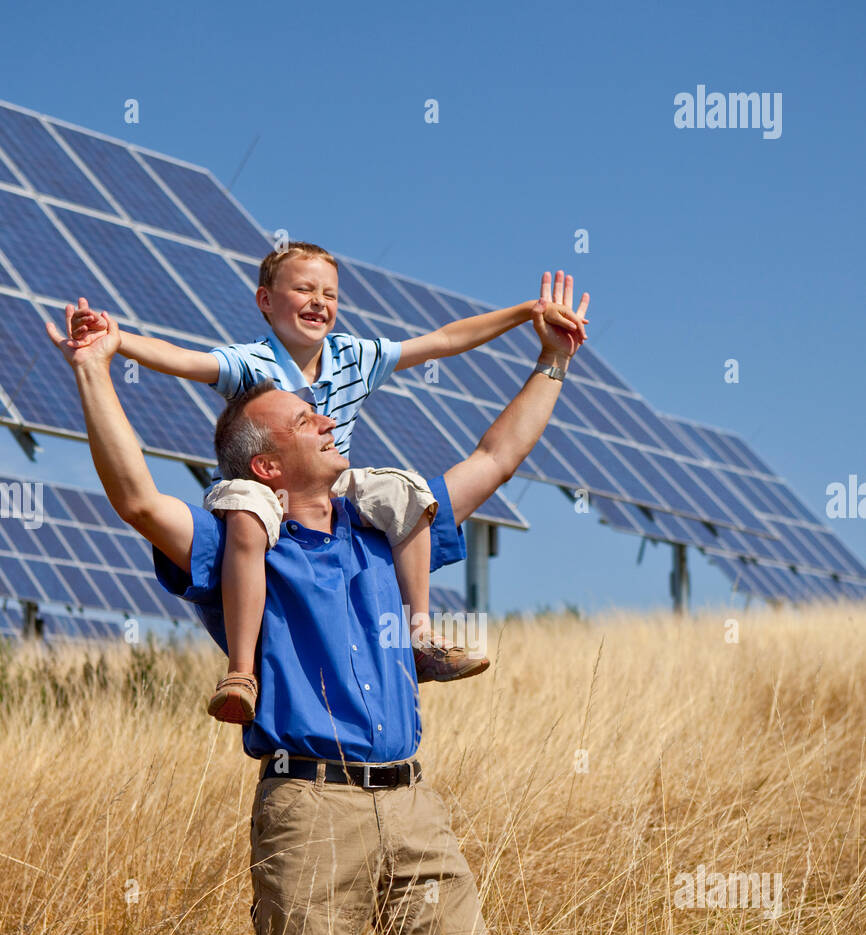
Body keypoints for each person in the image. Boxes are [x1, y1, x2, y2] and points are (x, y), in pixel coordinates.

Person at [46, 270, 589, 935]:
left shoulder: (388, 532)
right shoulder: (238, 548)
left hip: (416, 808)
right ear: (267, 463)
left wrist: (551, 364)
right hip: (309, 808)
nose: (328, 418)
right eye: (307, 420)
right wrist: (95, 368)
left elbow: (496, 460)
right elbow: (138, 499)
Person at [66, 242, 571, 721]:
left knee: (406, 490)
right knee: (244, 512)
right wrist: (115, 342)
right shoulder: (251, 364)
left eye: (330, 294)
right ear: (265, 300)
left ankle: (418, 636)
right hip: (260, 493)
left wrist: (525, 317)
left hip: (335, 492)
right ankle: (241, 672)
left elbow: (443, 344)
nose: (319, 302)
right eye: (304, 290)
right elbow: (183, 362)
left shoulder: (355, 356)